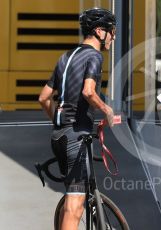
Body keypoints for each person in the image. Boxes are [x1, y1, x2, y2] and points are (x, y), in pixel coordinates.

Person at [38, 8, 116, 230]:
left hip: (59, 136)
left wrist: (60, 121)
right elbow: (88, 92)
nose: (113, 36)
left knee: (72, 194)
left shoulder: (66, 57)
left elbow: (43, 98)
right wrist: (107, 110)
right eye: (112, 31)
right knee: (75, 206)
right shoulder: (94, 56)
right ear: (100, 31)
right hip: (77, 137)